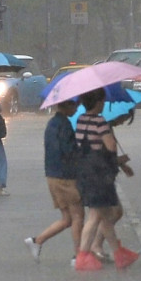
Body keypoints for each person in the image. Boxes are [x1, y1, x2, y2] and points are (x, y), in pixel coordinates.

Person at [73, 88, 138, 271]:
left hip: (85, 171)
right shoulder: (99, 121)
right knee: (95, 216)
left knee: (105, 215)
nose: (103, 103)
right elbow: (109, 147)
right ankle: (83, 256)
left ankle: (119, 254)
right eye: (102, 100)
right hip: (99, 174)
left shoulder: (81, 120)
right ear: (98, 102)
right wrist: (116, 153)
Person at [23, 100, 83, 265]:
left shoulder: (52, 124)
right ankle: (79, 256)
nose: (76, 108)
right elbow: (69, 152)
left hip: (52, 175)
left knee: (67, 218)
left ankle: (37, 241)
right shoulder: (64, 125)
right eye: (74, 106)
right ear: (65, 106)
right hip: (65, 177)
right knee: (78, 216)